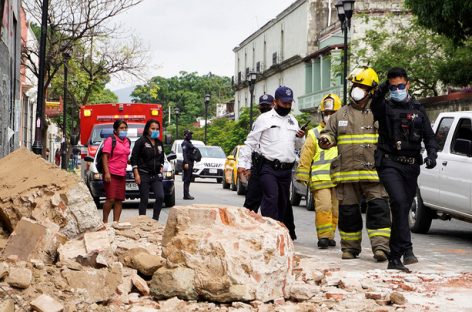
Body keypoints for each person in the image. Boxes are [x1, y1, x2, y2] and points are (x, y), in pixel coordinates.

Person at [319, 67, 391, 262]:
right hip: (347, 174)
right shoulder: (339, 115)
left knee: (378, 211)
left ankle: (381, 248)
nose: (356, 89)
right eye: (355, 85)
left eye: (361, 86)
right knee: (348, 214)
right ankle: (350, 249)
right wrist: (325, 139)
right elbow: (328, 133)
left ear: (372, 90)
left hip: (374, 174)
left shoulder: (380, 113)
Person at [371, 67, 438, 272]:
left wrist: (432, 154)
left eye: (401, 86)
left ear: (408, 85)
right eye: (393, 87)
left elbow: (429, 135)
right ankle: (395, 257)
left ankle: (405, 250)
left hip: (411, 166)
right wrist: (383, 87)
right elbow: (374, 104)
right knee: (399, 203)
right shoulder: (385, 107)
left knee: (403, 208)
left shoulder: (418, 108)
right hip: (390, 163)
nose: (398, 90)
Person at [238, 86, 305, 234]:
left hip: (286, 169)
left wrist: (300, 137)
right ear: (275, 102)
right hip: (268, 167)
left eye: (289, 104)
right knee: (271, 197)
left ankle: (280, 231)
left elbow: (298, 145)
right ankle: (270, 232)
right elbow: (251, 142)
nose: (287, 106)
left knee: (283, 201)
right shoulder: (264, 119)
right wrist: (243, 164)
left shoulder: (293, 121)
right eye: (284, 103)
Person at [295, 93, 341, 249]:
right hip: (320, 179)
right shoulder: (314, 134)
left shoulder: (343, 133)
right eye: (327, 113)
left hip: (338, 179)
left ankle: (330, 235)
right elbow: (306, 155)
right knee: (324, 207)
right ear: (322, 113)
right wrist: (302, 175)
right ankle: (323, 237)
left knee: (335, 210)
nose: (329, 116)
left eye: (332, 113)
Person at [131, 119, 165, 221]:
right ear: (147, 129)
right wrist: (136, 174)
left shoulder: (159, 143)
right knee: (144, 199)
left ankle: (155, 220)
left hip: (155, 175)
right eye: (153, 128)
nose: (155, 131)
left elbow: (162, 157)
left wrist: (161, 165)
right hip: (143, 174)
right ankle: (142, 221)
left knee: (160, 196)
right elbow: (134, 159)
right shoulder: (140, 141)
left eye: (157, 129)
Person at [102, 119, 131, 225]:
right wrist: (107, 173)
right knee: (110, 199)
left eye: (125, 128)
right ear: (115, 130)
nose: (124, 130)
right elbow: (105, 157)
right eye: (121, 128)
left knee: (119, 200)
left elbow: (125, 156)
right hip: (111, 173)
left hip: (122, 174)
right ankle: (105, 222)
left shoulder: (127, 141)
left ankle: (116, 223)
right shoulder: (110, 140)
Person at [182, 129, 196, 200]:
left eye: (191, 134)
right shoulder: (185, 143)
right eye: (189, 134)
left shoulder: (189, 142)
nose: (191, 135)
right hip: (187, 163)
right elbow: (184, 154)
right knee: (187, 179)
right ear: (185, 135)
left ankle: (187, 194)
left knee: (189, 178)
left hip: (190, 162)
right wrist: (186, 163)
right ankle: (186, 195)